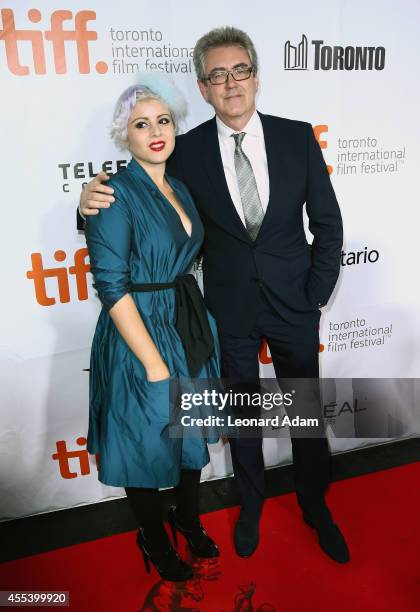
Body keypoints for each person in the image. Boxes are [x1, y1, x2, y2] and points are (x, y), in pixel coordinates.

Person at [80, 27, 349, 564]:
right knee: (245, 418)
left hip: (295, 303)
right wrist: (85, 204)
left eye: (239, 70)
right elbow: (140, 197)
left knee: (304, 411)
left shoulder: (297, 137)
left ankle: (315, 505)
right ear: (203, 88)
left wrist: (315, 293)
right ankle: (250, 506)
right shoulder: (186, 149)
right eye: (217, 75)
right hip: (227, 311)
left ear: (255, 76)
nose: (231, 83)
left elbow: (328, 221)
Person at [84, 74, 221, 582]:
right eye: (141, 124)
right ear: (126, 135)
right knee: (144, 443)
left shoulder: (179, 186)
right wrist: (153, 361)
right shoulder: (113, 194)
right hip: (138, 333)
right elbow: (112, 287)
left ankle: (186, 518)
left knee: (189, 440)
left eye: (163, 120)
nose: (155, 131)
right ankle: (152, 535)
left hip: (184, 324)